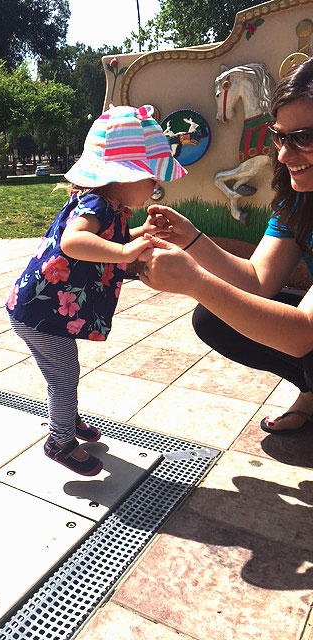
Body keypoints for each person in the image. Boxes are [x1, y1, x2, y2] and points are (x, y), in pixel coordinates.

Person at [6, 105, 187, 475]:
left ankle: (67, 422)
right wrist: (124, 252)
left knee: (63, 372)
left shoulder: (111, 207)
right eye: (151, 178)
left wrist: (141, 236)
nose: (156, 186)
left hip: (44, 309)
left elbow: (109, 239)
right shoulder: (95, 203)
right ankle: (59, 441)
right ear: (122, 175)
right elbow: (75, 242)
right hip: (39, 313)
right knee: (64, 374)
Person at [138, 56, 313, 435]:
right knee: (214, 316)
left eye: (304, 138)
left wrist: (195, 282)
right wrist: (192, 239)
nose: (283, 154)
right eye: (280, 136)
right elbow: (257, 281)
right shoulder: (301, 200)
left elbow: (303, 336)